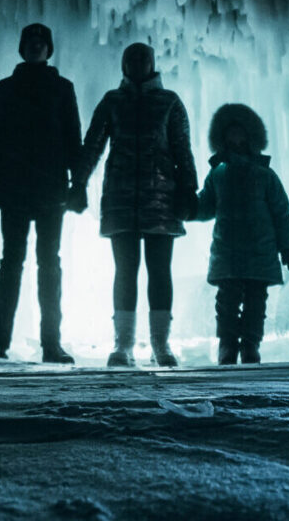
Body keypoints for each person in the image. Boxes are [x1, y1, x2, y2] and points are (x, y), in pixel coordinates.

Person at [80, 42, 195, 367]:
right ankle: (124, 345)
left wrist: (189, 190)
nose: (138, 62)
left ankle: (161, 345)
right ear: (124, 64)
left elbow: (182, 149)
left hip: (161, 200)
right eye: (131, 57)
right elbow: (93, 145)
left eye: (143, 57)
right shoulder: (112, 102)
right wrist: (78, 183)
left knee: (159, 272)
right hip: (120, 198)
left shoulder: (169, 102)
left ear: (152, 63)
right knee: (125, 272)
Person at [0, 22, 87, 363]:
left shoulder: (62, 89)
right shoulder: (6, 89)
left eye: (41, 41)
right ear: (23, 47)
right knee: (12, 264)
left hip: (49, 190)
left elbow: (73, 138)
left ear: (48, 48)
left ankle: (50, 344)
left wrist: (78, 184)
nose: (36, 45)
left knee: (47, 266)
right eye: (31, 41)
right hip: (16, 189)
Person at [192, 103, 289, 364]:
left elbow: (282, 213)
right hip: (228, 251)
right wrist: (183, 205)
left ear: (251, 137)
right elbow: (205, 207)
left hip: (259, 251)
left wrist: (288, 250)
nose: (236, 138)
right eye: (231, 133)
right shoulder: (217, 174)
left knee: (255, 302)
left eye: (240, 133)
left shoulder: (265, 175)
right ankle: (227, 345)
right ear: (223, 137)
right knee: (226, 303)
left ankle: (250, 344)